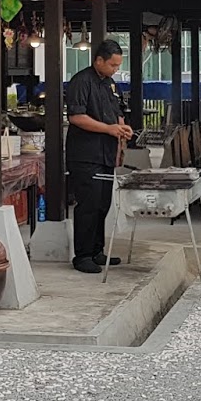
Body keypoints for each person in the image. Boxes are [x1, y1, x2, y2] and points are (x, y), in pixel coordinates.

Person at [65, 39, 134, 275]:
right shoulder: (81, 81)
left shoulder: (110, 84)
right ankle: (82, 255)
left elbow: (117, 112)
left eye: (118, 65)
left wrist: (122, 128)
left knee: (103, 204)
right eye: (113, 65)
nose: (115, 69)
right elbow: (76, 117)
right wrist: (108, 129)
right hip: (85, 154)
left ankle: (97, 250)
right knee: (88, 205)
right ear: (99, 60)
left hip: (106, 153)